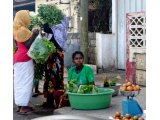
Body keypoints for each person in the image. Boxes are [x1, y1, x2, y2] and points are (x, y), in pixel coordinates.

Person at [13, 10, 39, 114]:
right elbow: (28, 45)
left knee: (19, 82)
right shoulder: (23, 30)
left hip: (18, 58)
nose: (29, 18)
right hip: (24, 58)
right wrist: (34, 35)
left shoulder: (16, 29)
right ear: (23, 17)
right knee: (26, 82)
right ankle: (23, 107)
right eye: (27, 16)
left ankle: (20, 106)